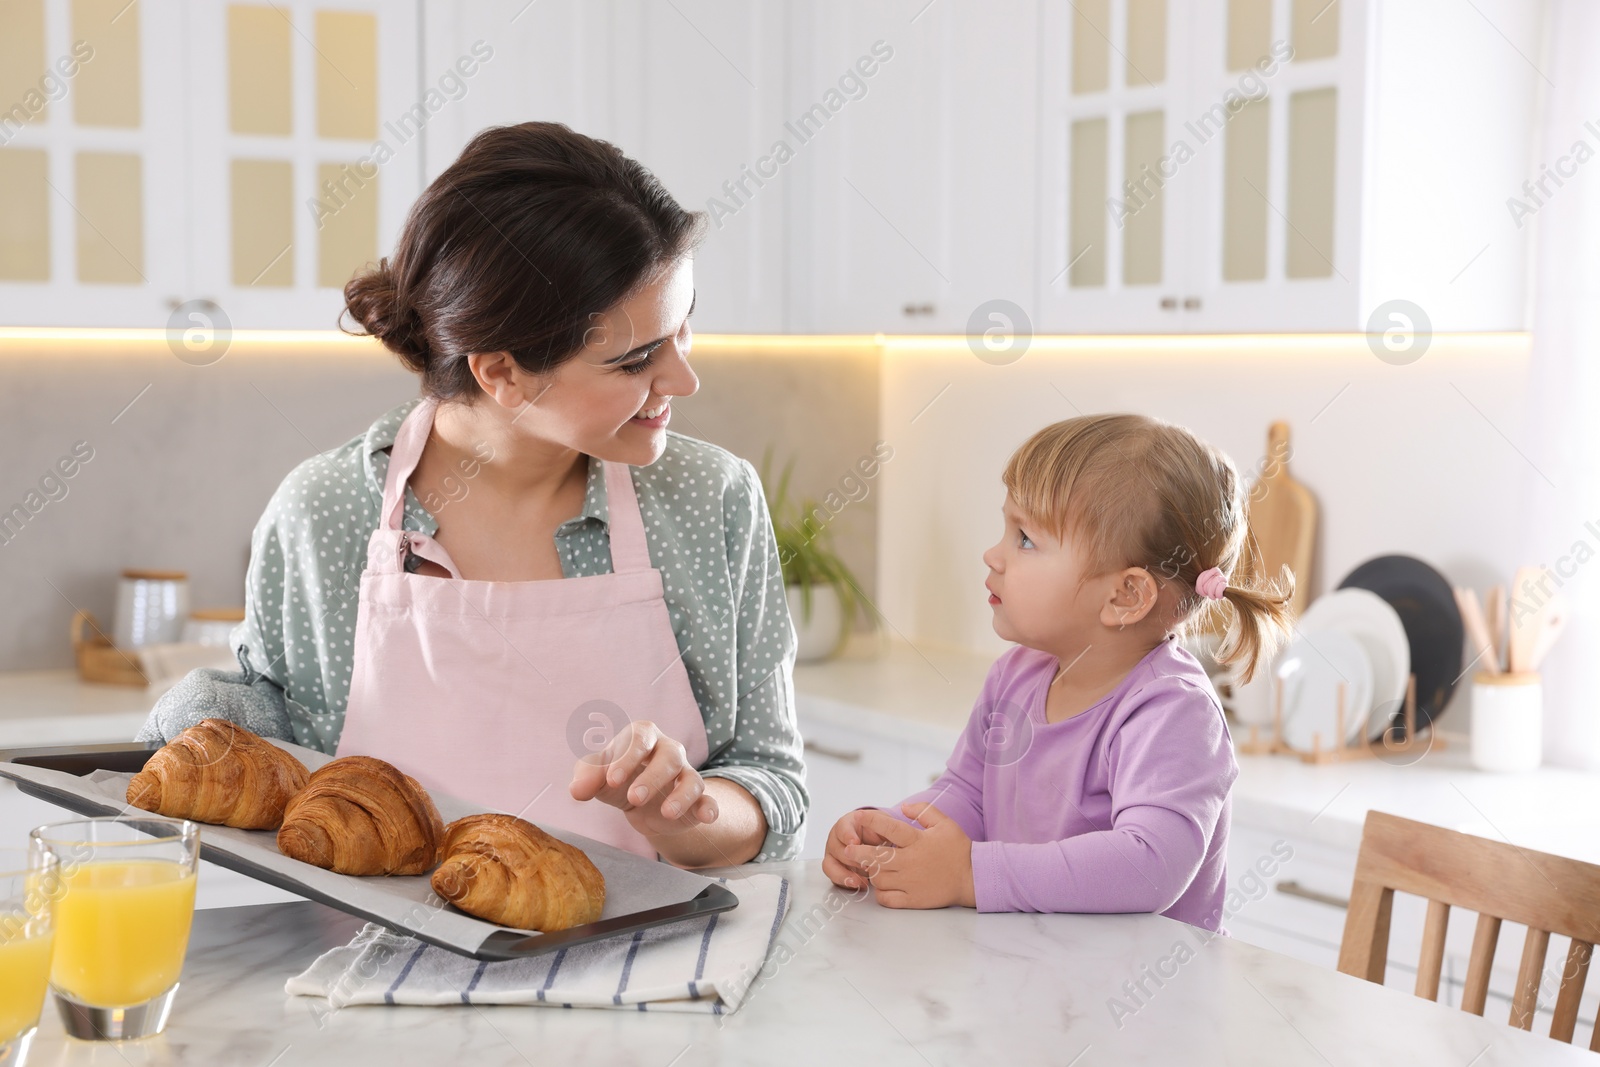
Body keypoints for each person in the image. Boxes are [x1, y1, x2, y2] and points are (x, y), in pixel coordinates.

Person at [138, 122, 806, 869]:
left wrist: (683, 814)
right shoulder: (324, 513)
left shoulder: (710, 499)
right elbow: (277, 753)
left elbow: (772, 782)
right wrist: (200, 721)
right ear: (502, 372)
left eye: (684, 327)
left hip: (653, 970)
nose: (684, 379)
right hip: (374, 971)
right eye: (637, 358)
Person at [822, 414, 1291, 931]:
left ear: (1125, 596)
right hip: (1039, 983)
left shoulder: (1172, 710)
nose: (993, 554)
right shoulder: (1016, 676)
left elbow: (1150, 865)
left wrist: (969, 875)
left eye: (1024, 538)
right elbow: (968, 794)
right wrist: (889, 837)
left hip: (1147, 1002)